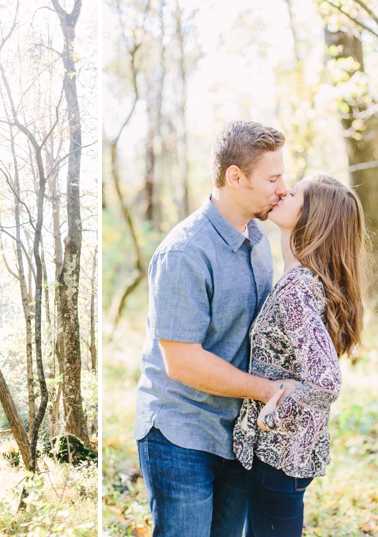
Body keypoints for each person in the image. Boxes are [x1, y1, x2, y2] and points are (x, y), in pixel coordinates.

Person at [134, 120, 299, 537]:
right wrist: (268, 391)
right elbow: (183, 363)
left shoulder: (259, 239)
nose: (283, 188)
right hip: (180, 433)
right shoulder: (185, 252)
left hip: (238, 434)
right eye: (273, 178)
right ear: (235, 177)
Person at [233, 174, 366, 536]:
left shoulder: (297, 288)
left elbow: (325, 381)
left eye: (294, 193)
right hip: (289, 456)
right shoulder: (303, 281)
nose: (282, 191)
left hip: (280, 456)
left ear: (312, 217)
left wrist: (275, 409)